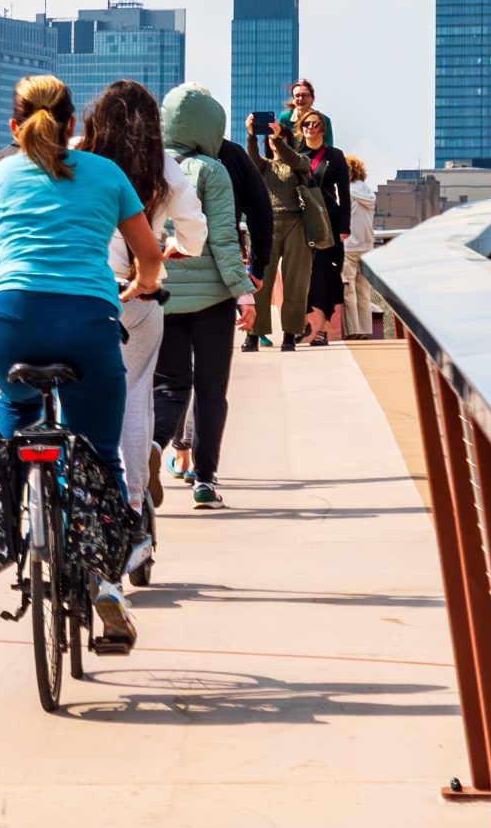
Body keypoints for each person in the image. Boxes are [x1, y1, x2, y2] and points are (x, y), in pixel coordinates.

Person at [0, 75, 163, 653]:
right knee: (98, 452)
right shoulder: (107, 174)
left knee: (15, 418)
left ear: (13, 127)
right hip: (88, 324)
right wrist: (140, 286)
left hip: (13, 323)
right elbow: (148, 257)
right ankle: (106, 584)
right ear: (72, 126)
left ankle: (13, 527)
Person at [74, 80, 205, 570]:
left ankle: (75, 502)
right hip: (136, 292)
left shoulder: (77, 154)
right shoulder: (163, 167)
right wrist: (169, 248)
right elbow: (195, 235)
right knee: (133, 396)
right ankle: (132, 511)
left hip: (79, 291)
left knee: (73, 395)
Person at [151, 85, 255, 507]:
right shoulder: (213, 170)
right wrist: (244, 293)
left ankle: (155, 447)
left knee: (168, 385)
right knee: (212, 391)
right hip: (212, 299)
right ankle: (205, 480)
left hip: (162, 295)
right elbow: (225, 240)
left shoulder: (146, 166)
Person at [244, 108, 316, 353]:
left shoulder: (300, 162)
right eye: (271, 138)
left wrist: (278, 140)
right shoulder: (264, 166)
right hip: (268, 225)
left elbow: (296, 161)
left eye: (280, 137)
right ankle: (254, 334)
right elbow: (252, 159)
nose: (274, 141)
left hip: (297, 224)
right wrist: (251, 135)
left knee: (296, 282)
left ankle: (290, 334)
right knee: (259, 280)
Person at [299, 110, 350, 345]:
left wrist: (344, 227)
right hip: (300, 222)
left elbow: (344, 194)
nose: (310, 128)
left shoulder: (335, 156)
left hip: (327, 223)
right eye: (306, 124)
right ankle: (302, 323)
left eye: (315, 124)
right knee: (300, 274)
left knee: (324, 276)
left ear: (322, 129)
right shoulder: (295, 154)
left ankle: (321, 330)